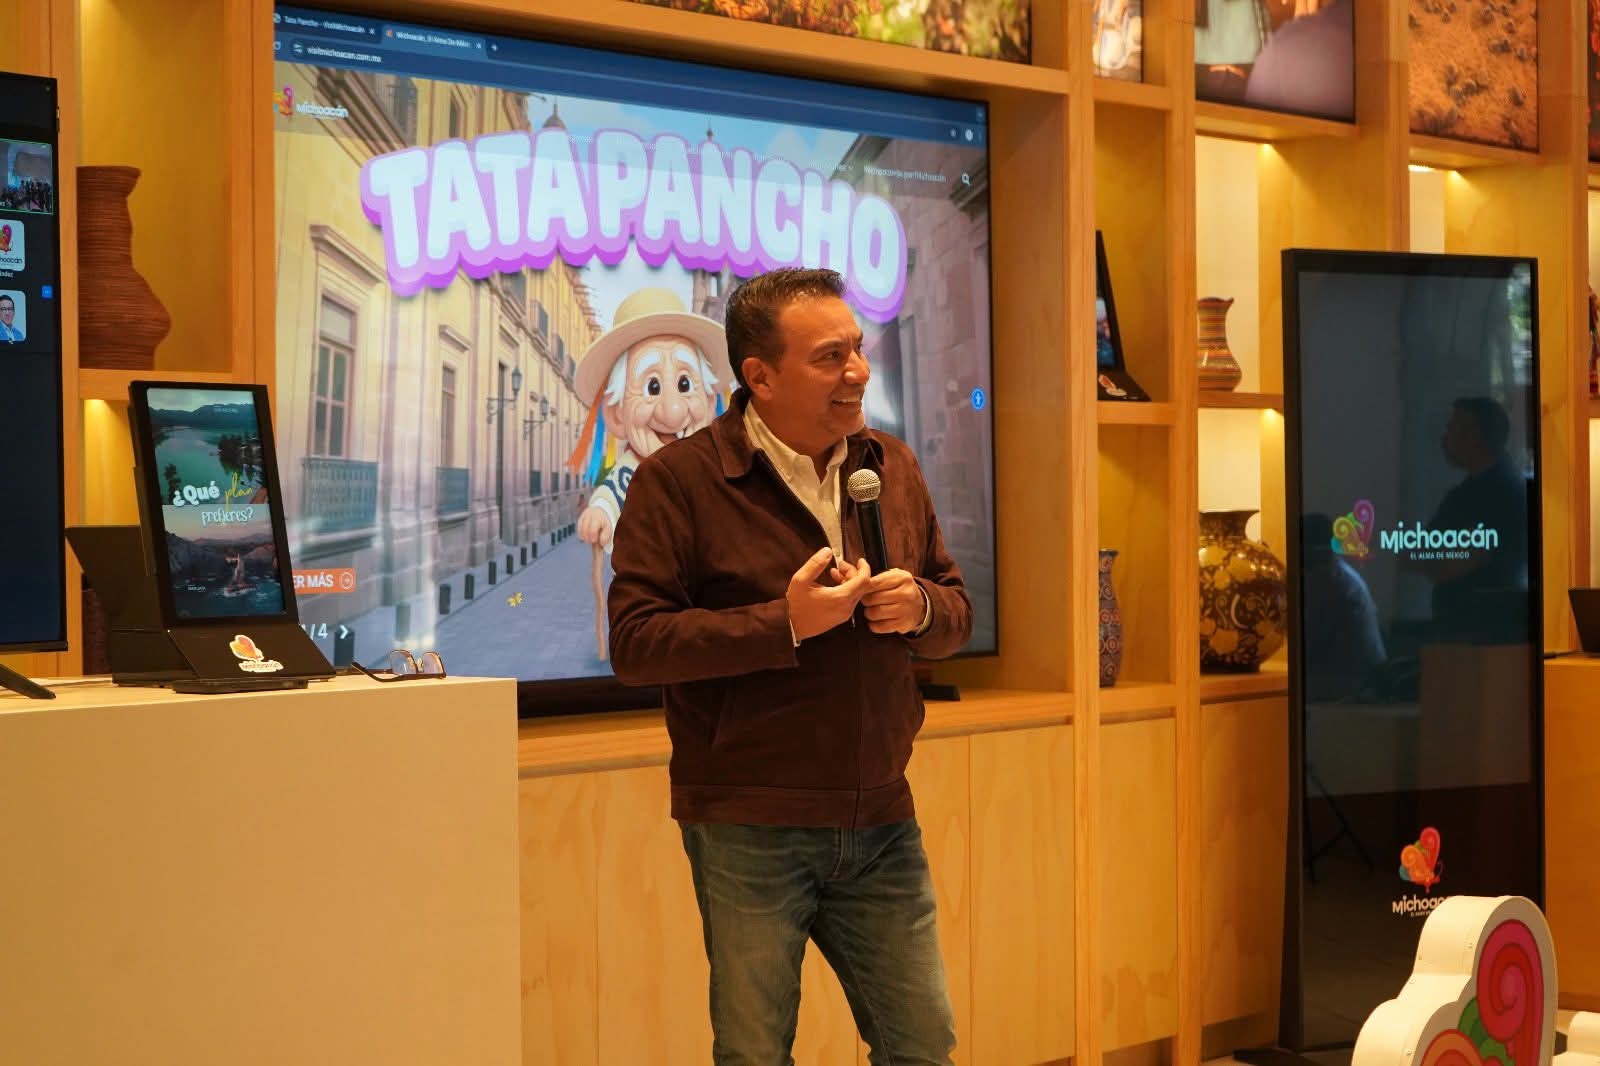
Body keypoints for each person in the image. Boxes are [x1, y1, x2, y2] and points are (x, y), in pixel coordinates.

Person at [608, 267, 971, 1064]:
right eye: (830, 356)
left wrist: (921, 608)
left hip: (882, 816)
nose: (858, 371)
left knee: (924, 1047)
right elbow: (636, 643)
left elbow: (954, 609)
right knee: (756, 1054)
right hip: (749, 824)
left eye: (858, 349)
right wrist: (786, 624)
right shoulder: (679, 481)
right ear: (760, 377)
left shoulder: (890, 465)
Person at [567, 286, 730, 660]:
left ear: (709, 400)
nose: (672, 412)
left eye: (685, 385)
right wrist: (599, 513)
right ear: (616, 414)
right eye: (651, 387)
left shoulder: (718, 464)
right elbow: (610, 496)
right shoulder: (632, 471)